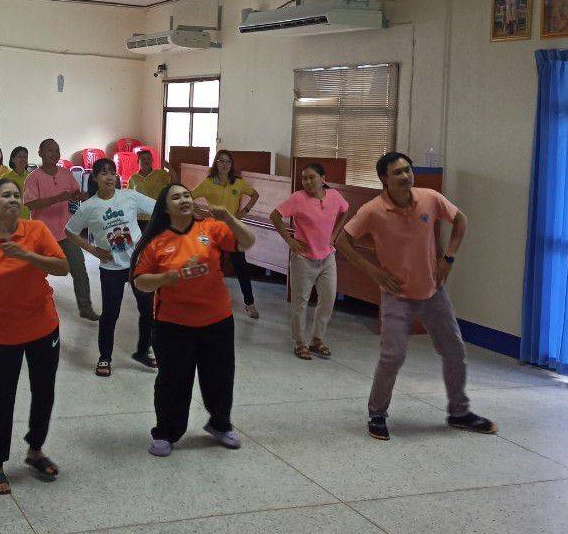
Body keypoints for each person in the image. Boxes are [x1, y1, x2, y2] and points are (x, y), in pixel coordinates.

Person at [334, 152, 496, 441]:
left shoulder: (430, 198)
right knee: (392, 356)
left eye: (408, 170)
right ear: (384, 179)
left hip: (433, 291)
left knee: (455, 351)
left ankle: (459, 412)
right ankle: (377, 414)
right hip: (397, 295)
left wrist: (449, 258)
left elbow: (460, 220)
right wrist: (374, 272)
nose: (406, 176)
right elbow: (342, 241)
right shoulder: (373, 210)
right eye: (397, 172)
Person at [132, 184, 255, 457]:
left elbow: (247, 242)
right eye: (176, 197)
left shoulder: (211, 228)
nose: (184, 199)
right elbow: (140, 282)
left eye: (186, 195)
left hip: (217, 320)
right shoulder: (157, 242)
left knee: (220, 377)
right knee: (173, 381)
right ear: (166, 208)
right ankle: (166, 433)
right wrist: (164, 278)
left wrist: (228, 217)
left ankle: (220, 424)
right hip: (173, 325)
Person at [0, 178, 69, 494]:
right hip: (3, 330)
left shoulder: (36, 231)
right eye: (5, 195)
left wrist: (28, 256)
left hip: (42, 325)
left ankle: (35, 450)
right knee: (0, 397)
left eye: (16, 195)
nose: (12, 199)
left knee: (44, 390)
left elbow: (62, 267)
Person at [65, 158, 157, 376]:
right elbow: (69, 231)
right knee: (110, 314)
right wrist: (93, 250)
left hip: (138, 265)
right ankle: (105, 357)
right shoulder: (89, 206)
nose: (109, 177)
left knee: (147, 310)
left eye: (112, 172)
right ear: (95, 178)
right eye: (104, 173)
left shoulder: (130, 196)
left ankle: (144, 350)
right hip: (111, 268)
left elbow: (159, 208)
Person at [270, 163, 350, 360]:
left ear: (323, 178)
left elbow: (345, 210)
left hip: (327, 258)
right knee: (300, 302)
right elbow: (275, 216)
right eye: (304, 178)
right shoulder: (298, 198)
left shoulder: (334, 196)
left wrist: (335, 235)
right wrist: (289, 240)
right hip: (303, 259)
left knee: (328, 299)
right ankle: (300, 342)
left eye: (311, 177)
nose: (307, 181)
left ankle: (317, 339)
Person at [21, 139, 99, 321]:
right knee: (36, 273)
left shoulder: (66, 173)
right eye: (50, 150)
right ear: (40, 153)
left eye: (57, 150)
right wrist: (57, 198)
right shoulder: (33, 178)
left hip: (66, 232)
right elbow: (30, 204)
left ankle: (85, 307)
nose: (54, 153)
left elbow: (74, 193)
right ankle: (31, 306)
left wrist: (81, 196)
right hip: (42, 235)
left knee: (79, 269)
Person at [192, 150, 261, 319]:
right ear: (216, 163)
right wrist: (202, 212)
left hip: (233, 230)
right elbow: (189, 197)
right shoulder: (208, 183)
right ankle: (209, 302)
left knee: (241, 267)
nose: (225, 164)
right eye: (221, 161)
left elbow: (255, 195)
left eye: (228, 162)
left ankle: (249, 303)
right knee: (213, 267)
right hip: (214, 231)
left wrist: (244, 211)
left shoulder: (238, 182)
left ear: (231, 165)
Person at [7, 146, 32, 219]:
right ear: (13, 159)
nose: (23, 159)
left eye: (25, 157)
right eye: (20, 156)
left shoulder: (32, 177)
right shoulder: (5, 178)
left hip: (28, 218)